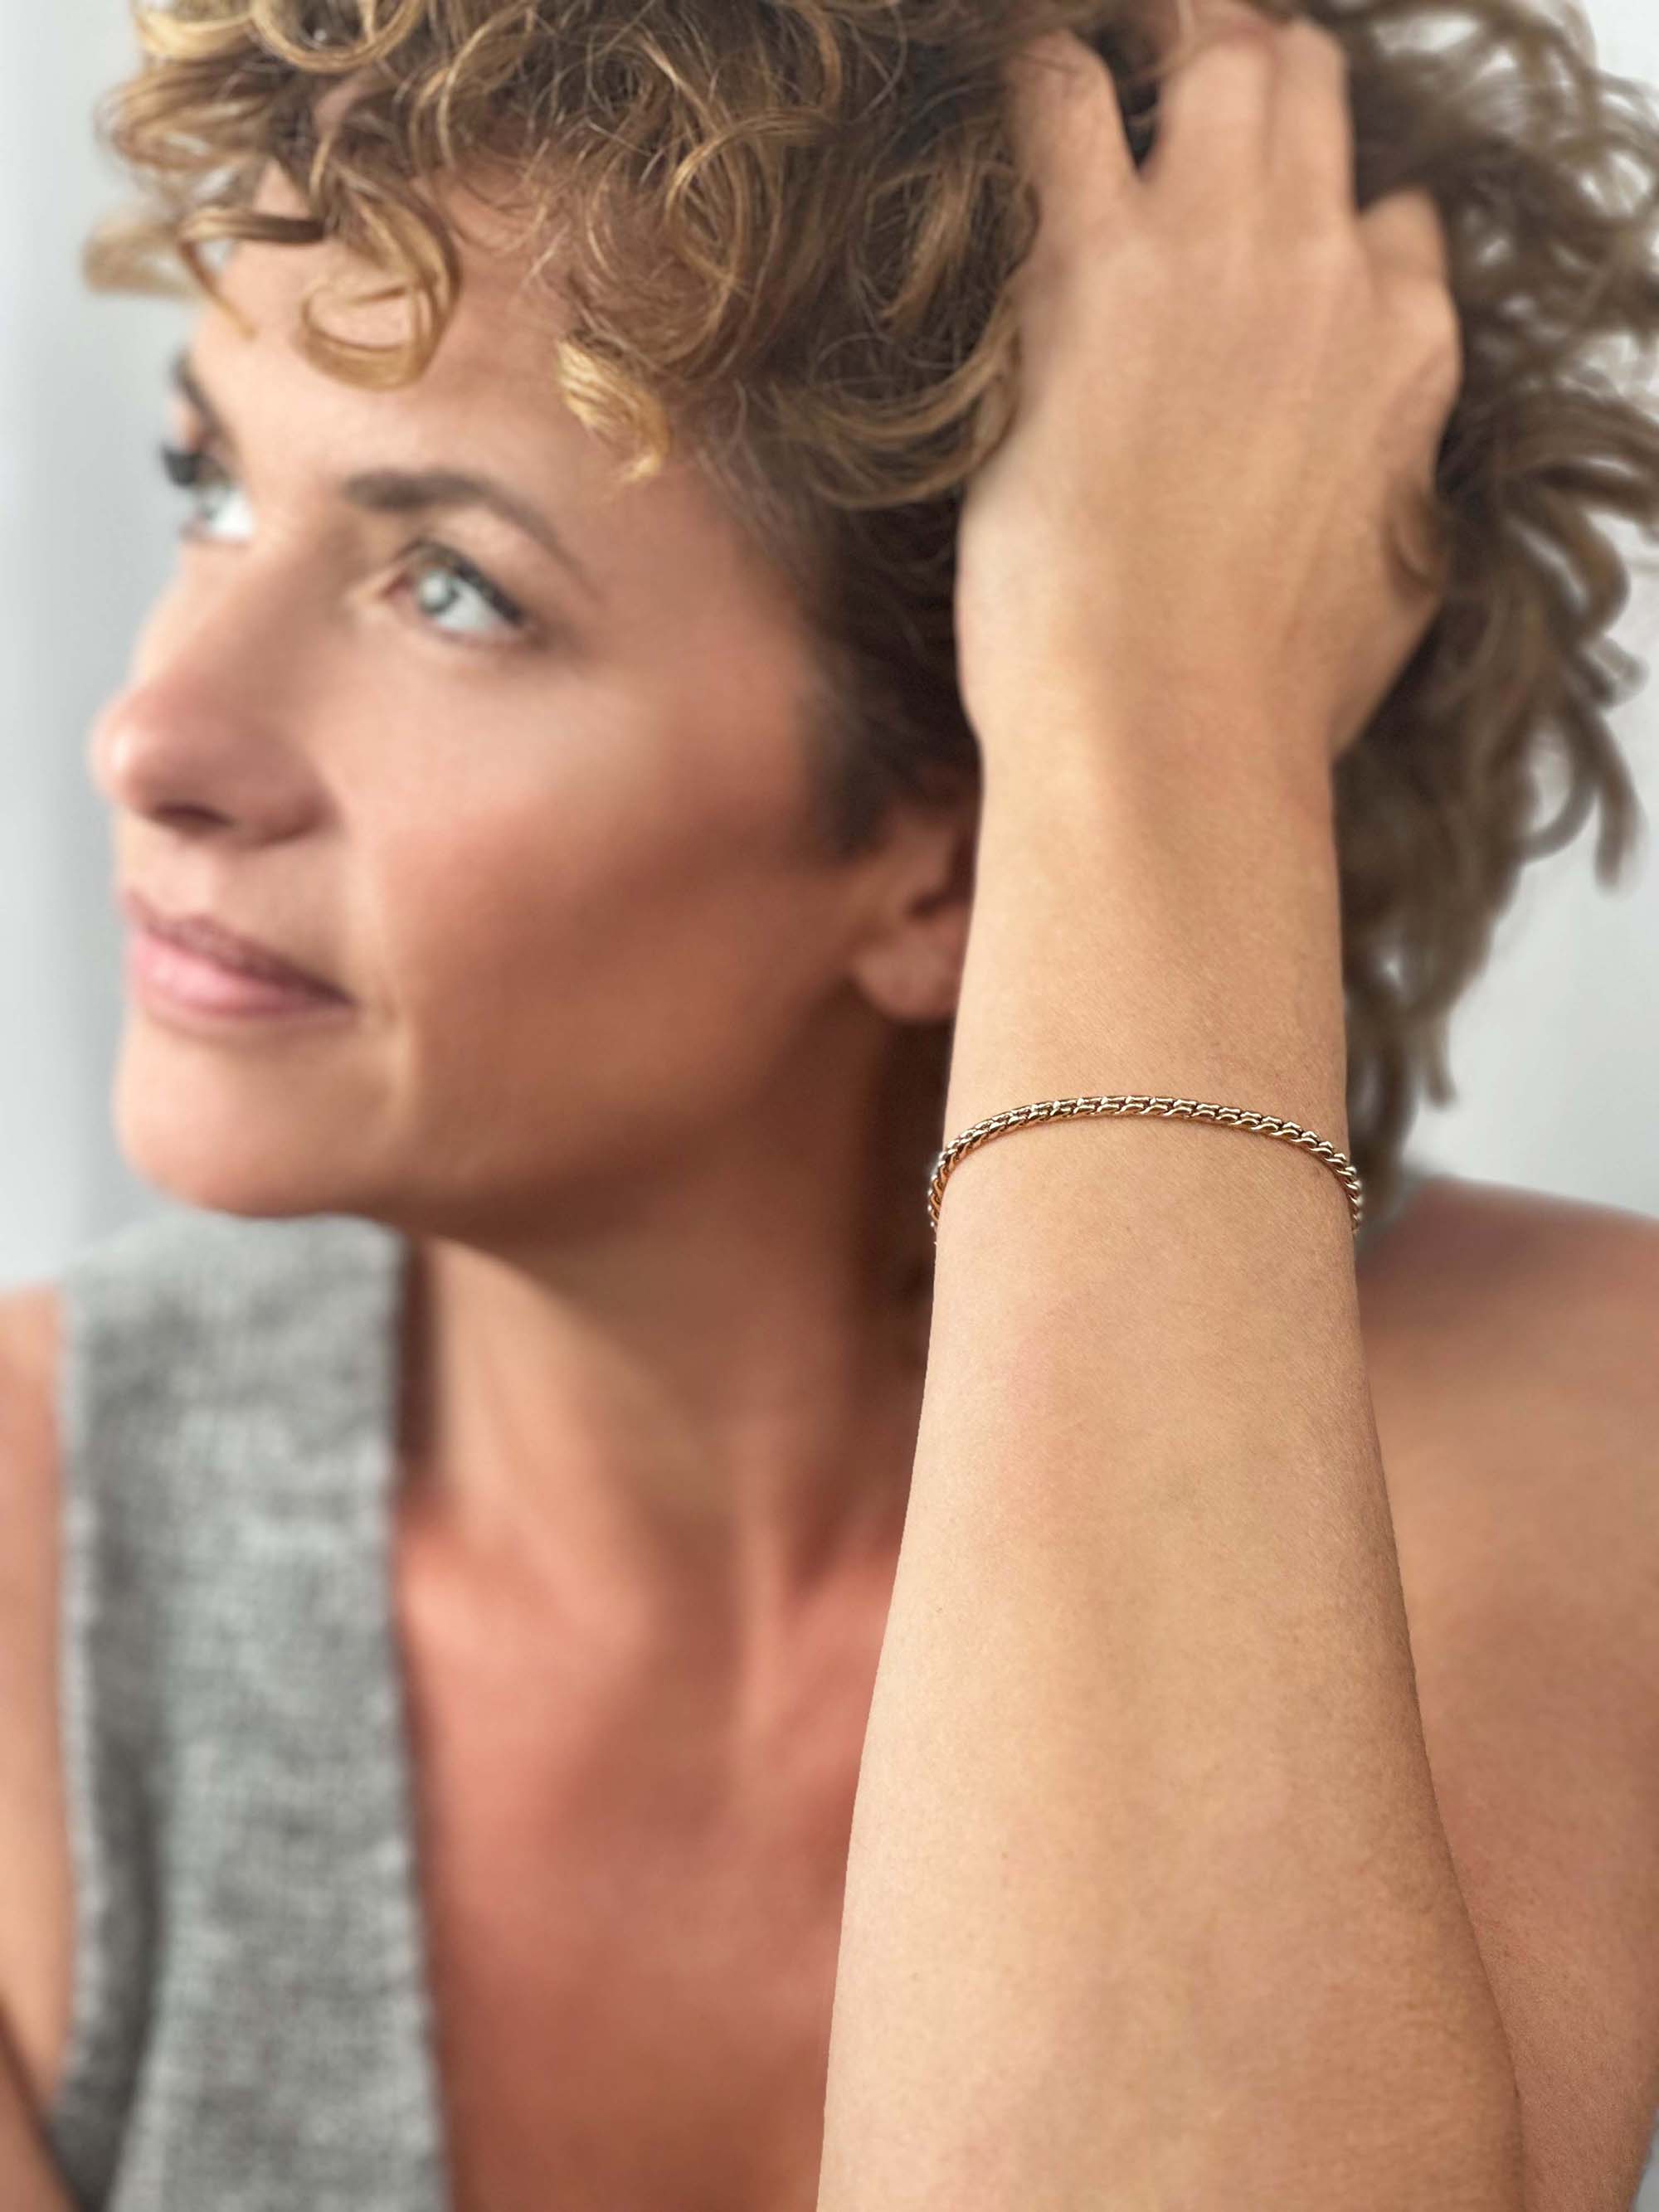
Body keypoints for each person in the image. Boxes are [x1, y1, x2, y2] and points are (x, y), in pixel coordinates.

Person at [2, 0, 1658, 2206]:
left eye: (454, 589)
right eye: (209, 485)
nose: (155, 736)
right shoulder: (38, 1556)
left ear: (957, 846)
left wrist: (1150, 713)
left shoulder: (1574, 1423)